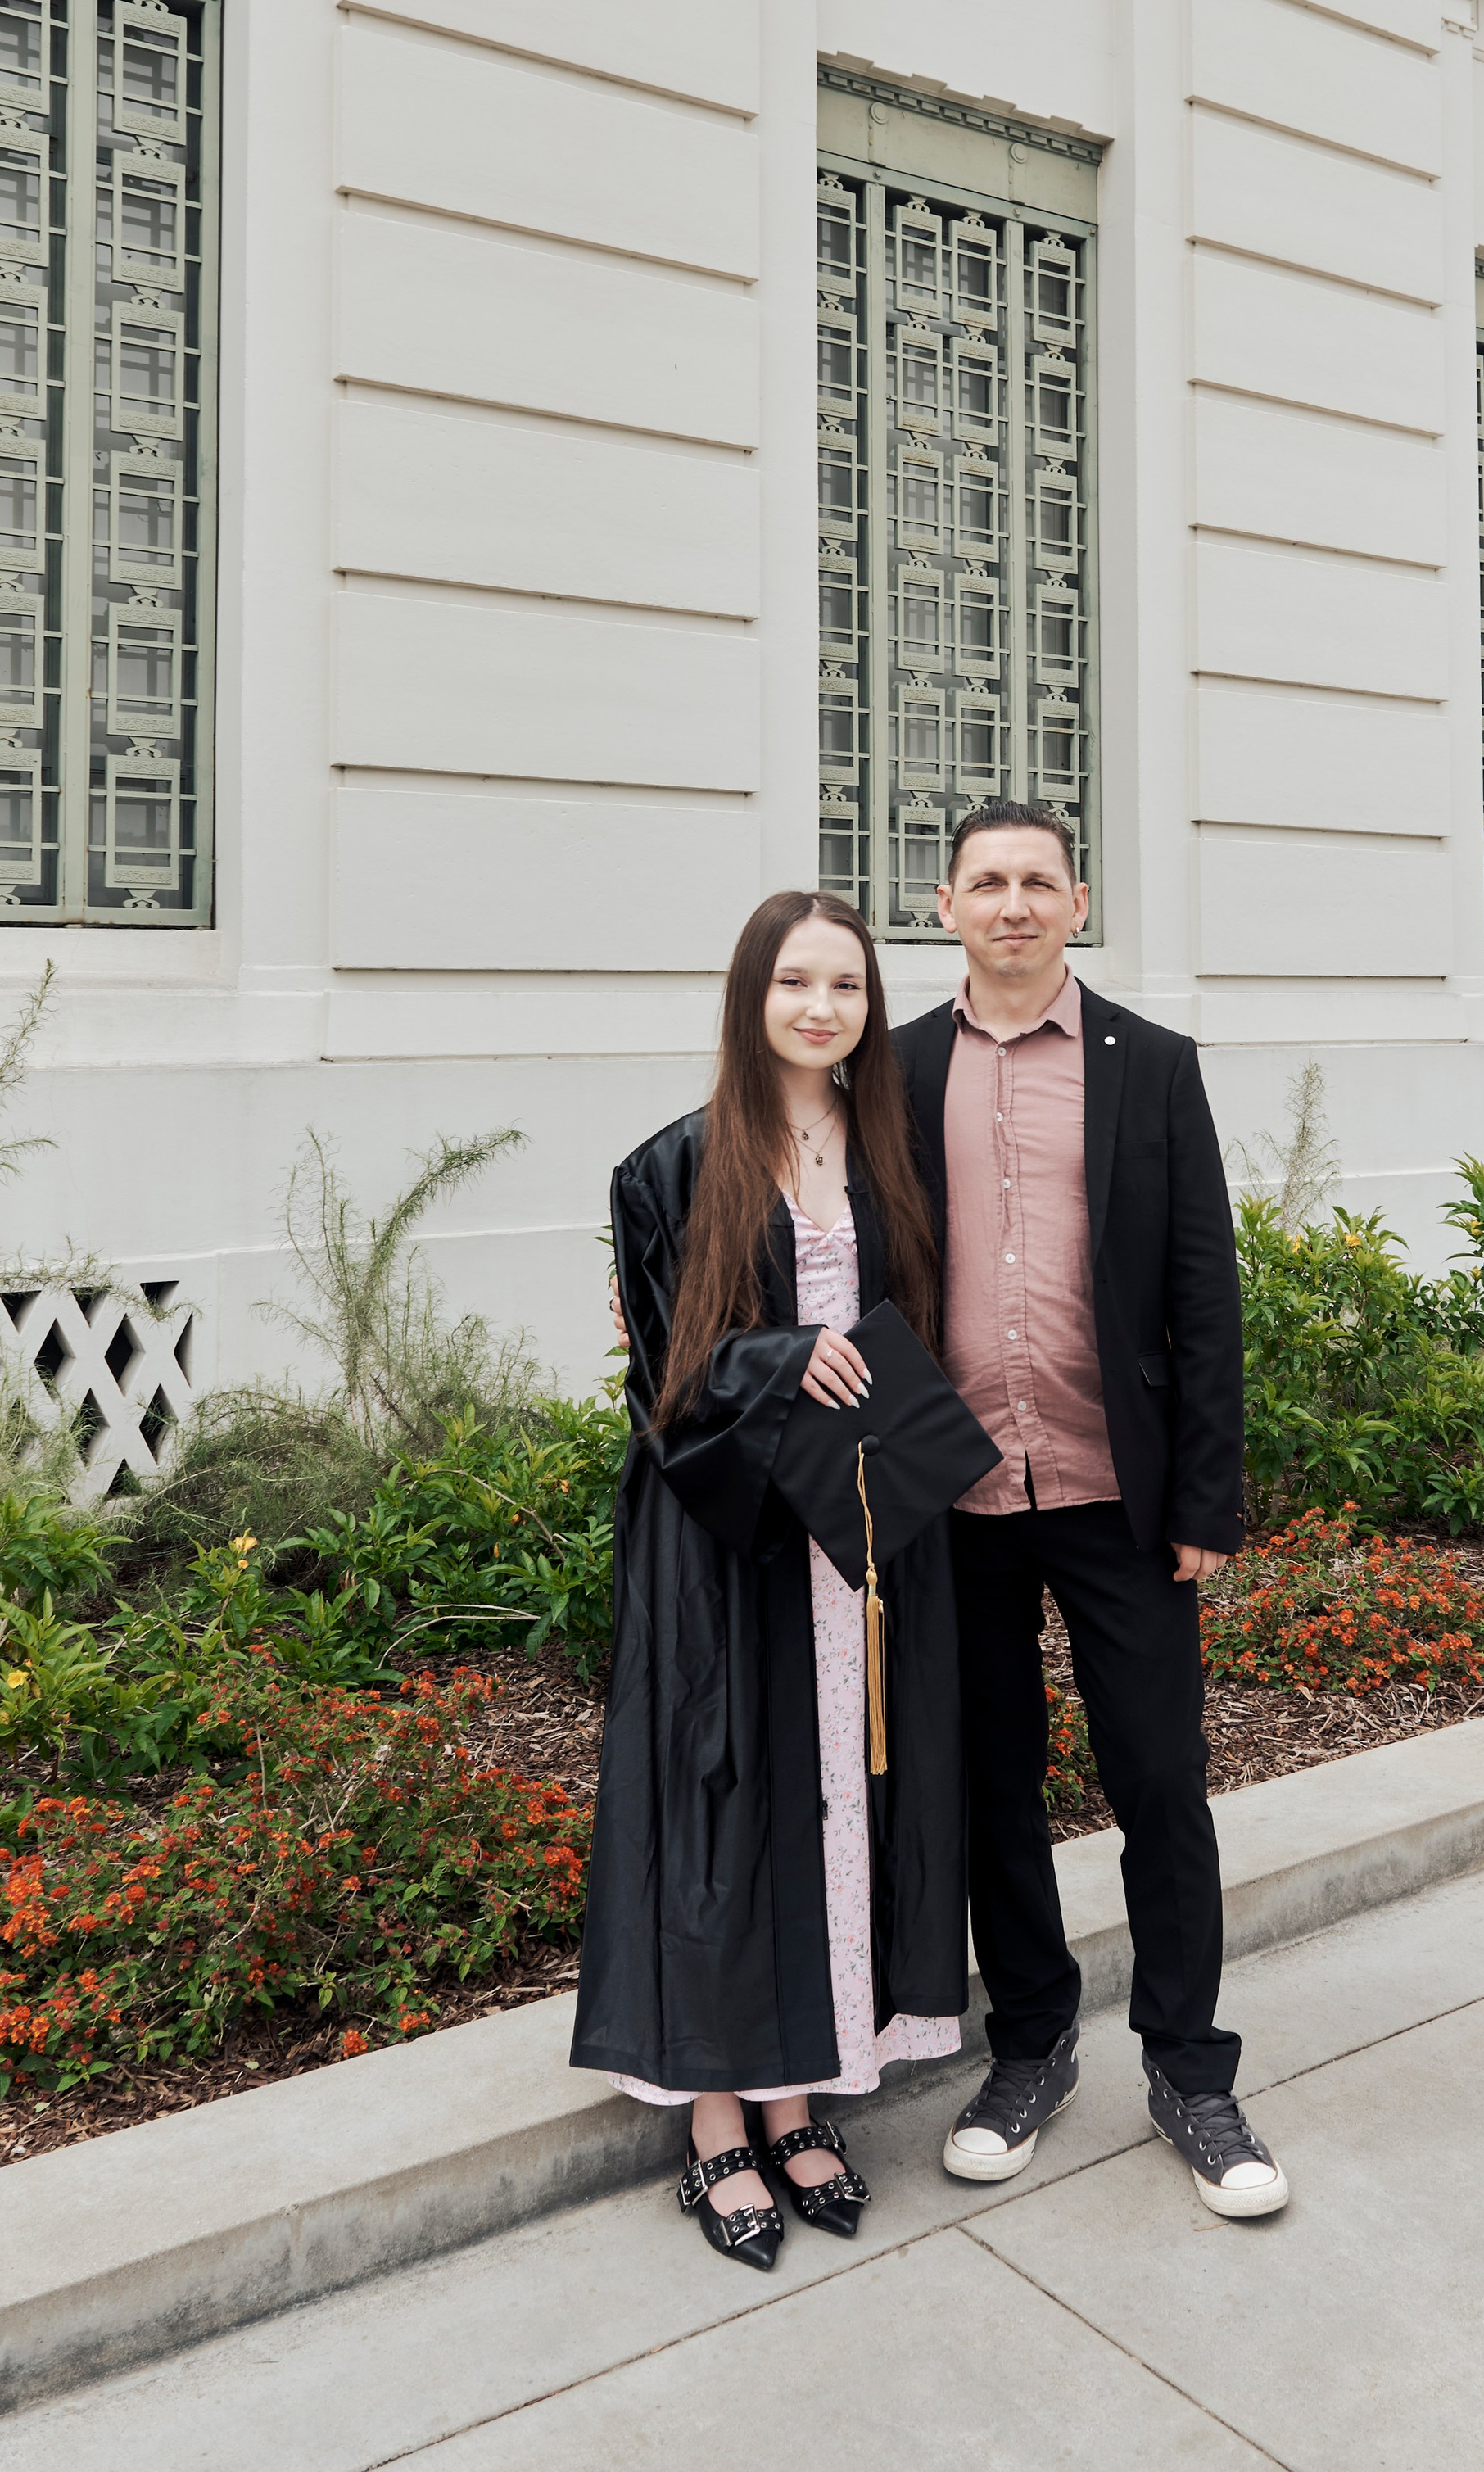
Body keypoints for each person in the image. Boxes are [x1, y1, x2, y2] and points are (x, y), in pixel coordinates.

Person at [894, 799, 1289, 2218]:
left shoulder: (1153, 1067)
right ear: (944, 904)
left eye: (1037, 882)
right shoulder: (893, 1072)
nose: (1012, 903)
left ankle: (1190, 2068)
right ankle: (1031, 2046)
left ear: (1078, 900)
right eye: (986, 882)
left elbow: (1205, 1300)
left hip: (1119, 1495)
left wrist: (1207, 1501)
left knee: (1160, 1787)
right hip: (958, 1501)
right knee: (994, 1789)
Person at [570, 891, 969, 2271]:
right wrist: (780, 1358)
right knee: (728, 1815)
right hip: (726, 1544)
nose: (820, 1007)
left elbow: (929, 1332)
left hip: (857, 1541)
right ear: (752, 997)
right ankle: (717, 2125)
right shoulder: (674, 1168)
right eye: (794, 981)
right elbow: (664, 1387)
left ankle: (804, 2100)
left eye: (846, 986)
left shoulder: (892, 1154)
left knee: (836, 1812)